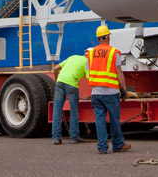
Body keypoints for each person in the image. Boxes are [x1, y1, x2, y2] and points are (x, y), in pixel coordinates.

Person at [86, 24, 131, 154]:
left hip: (96, 92)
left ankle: (102, 147)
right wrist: (124, 89)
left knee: (99, 120)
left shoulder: (90, 53)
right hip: (111, 92)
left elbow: (89, 72)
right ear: (107, 37)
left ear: (98, 39)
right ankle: (117, 145)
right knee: (114, 120)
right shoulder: (113, 52)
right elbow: (119, 72)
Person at [51, 52, 88, 144]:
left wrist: (56, 80)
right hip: (72, 84)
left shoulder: (72, 57)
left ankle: (56, 137)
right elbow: (89, 77)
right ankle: (74, 137)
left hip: (60, 82)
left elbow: (56, 68)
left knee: (57, 110)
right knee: (74, 110)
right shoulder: (87, 62)